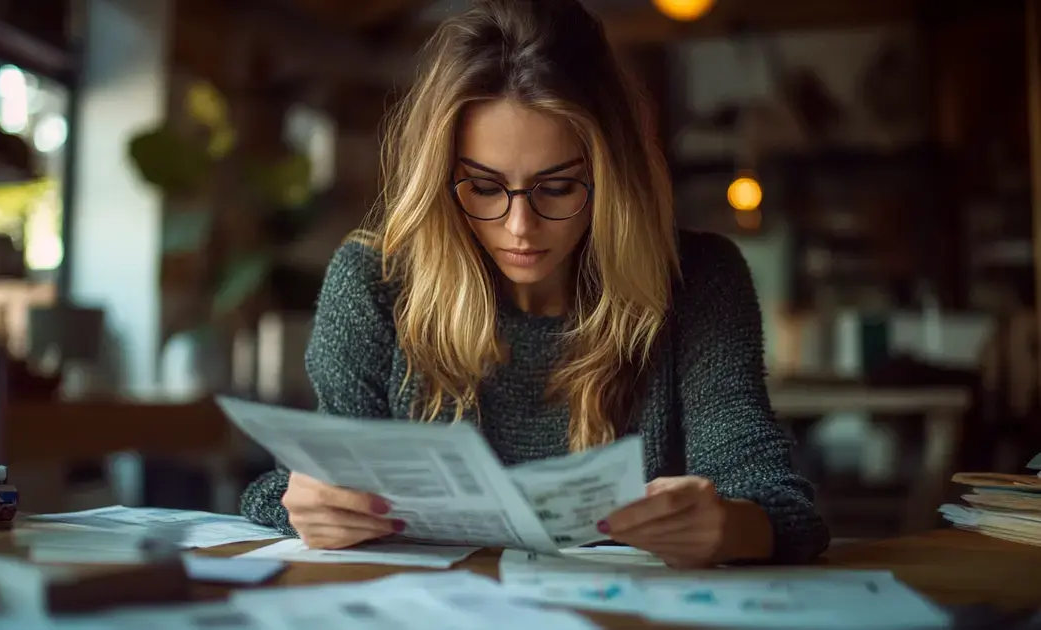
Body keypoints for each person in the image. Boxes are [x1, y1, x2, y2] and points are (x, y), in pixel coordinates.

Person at [240, 0, 829, 567]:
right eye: (485, 187)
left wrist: (728, 527)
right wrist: (305, 505)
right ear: (441, 177)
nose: (520, 227)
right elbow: (286, 490)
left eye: (557, 188)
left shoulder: (698, 280)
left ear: (612, 176)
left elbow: (778, 503)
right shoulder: (376, 283)